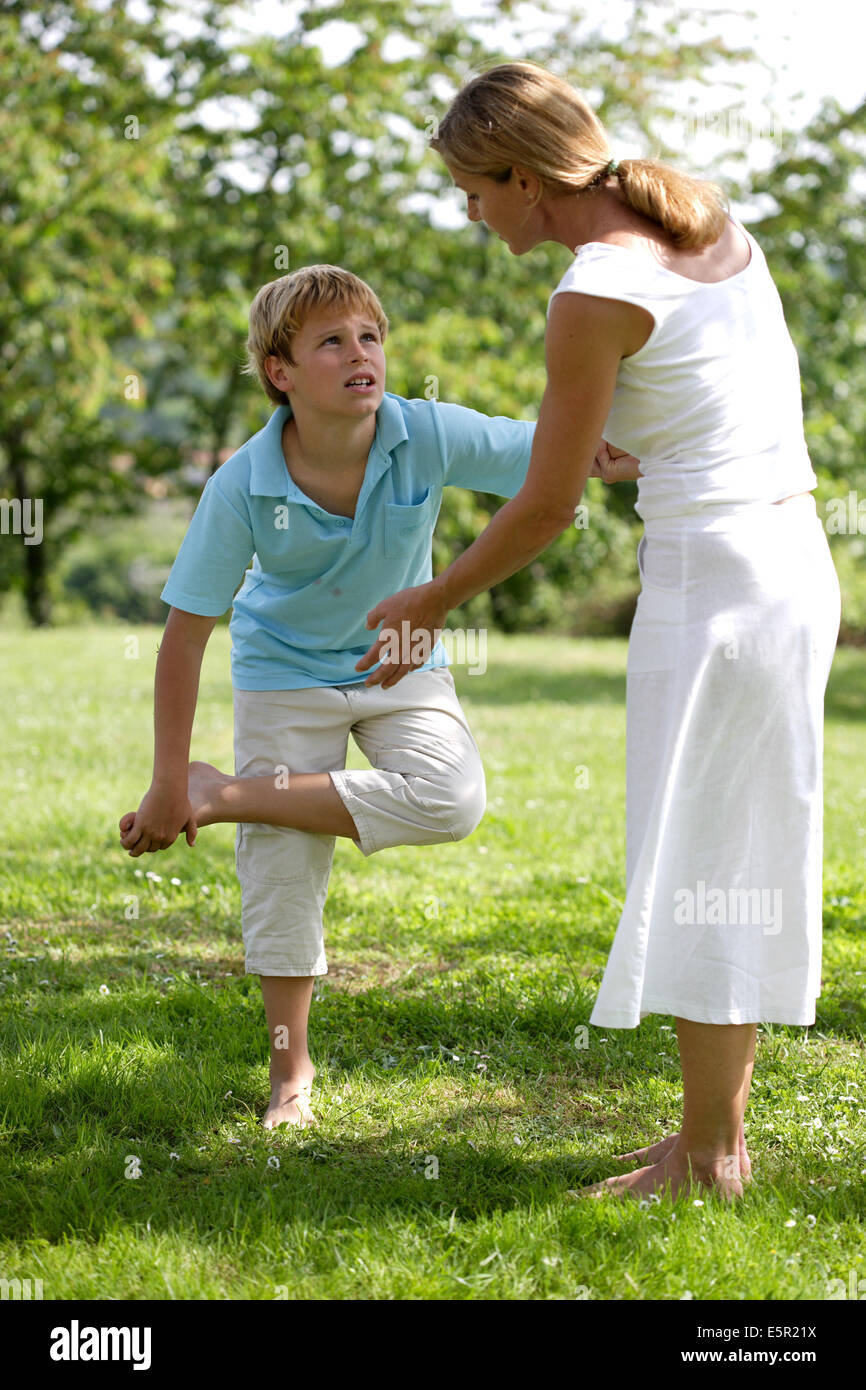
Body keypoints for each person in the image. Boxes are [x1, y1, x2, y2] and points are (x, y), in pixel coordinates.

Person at [354, 61, 842, 1201]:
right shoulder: (701, 215)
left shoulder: (590, 290)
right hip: (785, 567)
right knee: (728, 852)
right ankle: (703, 1139)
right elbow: (698, 392)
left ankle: (711, 1160)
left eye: (472, 190)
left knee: (705, 864)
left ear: (522, 176)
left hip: (712, 587)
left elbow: (545, 507)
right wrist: (634, 435)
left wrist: (428, 602)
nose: (468, 213)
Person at [118, 264, 623, 1130]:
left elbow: (547, 450)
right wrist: (168, 779)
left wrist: (634, 446)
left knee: (451, 799)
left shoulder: (421, 433)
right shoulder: (242, 485)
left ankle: (229, 795)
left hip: (400, 668)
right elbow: (184, 637)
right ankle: (291, 1075)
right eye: (332, 342)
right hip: (283, 673)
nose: (363, 354)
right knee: (282, 867)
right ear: (280, 371)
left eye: (371, 337)